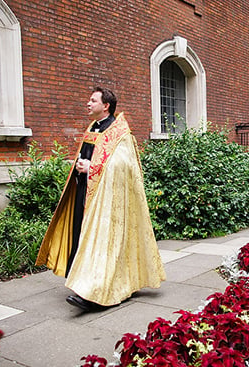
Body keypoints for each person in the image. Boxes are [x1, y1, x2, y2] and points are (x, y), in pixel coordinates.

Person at [36, 87, 166, 311]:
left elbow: (125, 166)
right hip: (85, 191)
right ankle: (85, 284)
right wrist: (80, 167)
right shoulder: (93, 128)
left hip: (108, 200)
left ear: (106, 106)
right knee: (82, 236)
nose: (88, 103)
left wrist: (92, 167)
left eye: (92, 100)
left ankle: (94, 292)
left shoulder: (119, 133)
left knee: (101, 243)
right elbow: (87, 156)